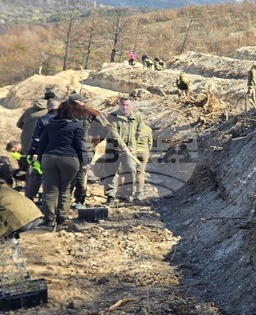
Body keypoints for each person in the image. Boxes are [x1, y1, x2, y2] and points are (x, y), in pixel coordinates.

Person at [35, 99, 89, 228]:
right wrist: (85, 161)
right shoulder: (77, 126)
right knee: (66, 189)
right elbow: (80, 146)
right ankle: (62, 219)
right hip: (69, 159)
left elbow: (42, 144)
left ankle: (49, 219)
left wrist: (40, 158)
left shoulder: (49, 124)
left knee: (49, 189)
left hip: (49, 158)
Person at [96, 96, 154, 204]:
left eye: (127, 105)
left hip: (130, 151)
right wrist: (123, 146)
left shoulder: (137, 117)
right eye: (123, 105)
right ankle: (110, 196)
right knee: (110, 172)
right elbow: (113, 133)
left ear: (131, 105)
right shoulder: (112, 117)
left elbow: (139, 132)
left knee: (130, 169)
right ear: (119, 105)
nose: (125, 107)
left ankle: (126, 194)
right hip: (113, 150)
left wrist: (133, 146)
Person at [16, 90, 53, 195]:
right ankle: (41, 194)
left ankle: (29, 193)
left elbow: (19, 124)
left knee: (31, 167)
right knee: (42, 170)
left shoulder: (29, 110)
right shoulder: (50, 113)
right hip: (41, 147)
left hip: (26, 145)